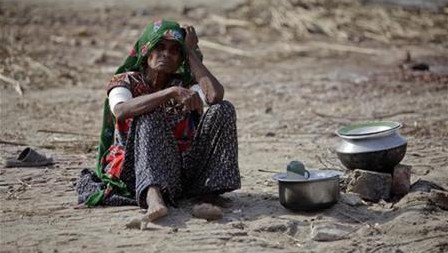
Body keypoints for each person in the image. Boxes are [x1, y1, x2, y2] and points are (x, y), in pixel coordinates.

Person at [76, 19, 241, 222]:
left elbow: (215, 96)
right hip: (134, 168)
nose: (166, 54)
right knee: (148, 112)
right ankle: (154, 198)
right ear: (146, 52)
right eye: (159, 47)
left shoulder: (184, 86)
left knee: (223, 110)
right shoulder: (125, 80)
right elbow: (120, 110)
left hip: (179, 170)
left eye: (174, 51)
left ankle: (206, 197)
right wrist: (167, 94)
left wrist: (190, 51)